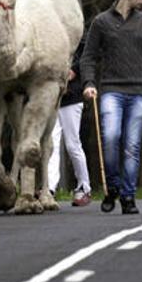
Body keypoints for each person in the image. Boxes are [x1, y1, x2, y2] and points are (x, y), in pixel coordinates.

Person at [80, 0, 142, 214]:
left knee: (131, 146)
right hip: (111, 90)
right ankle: (112, 188)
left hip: (140, 91)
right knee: (110, 138)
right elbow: (88, 57)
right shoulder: (101, 22)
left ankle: (128, 197)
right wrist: (88, 82)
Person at [47, 34, 92, 207]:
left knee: (73, 144)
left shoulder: (76, 30)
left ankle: (84, 186)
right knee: (51, 143)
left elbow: (86, 53)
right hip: (51, 96)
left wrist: (74, 70)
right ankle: (50, 188)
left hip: (71, 97)